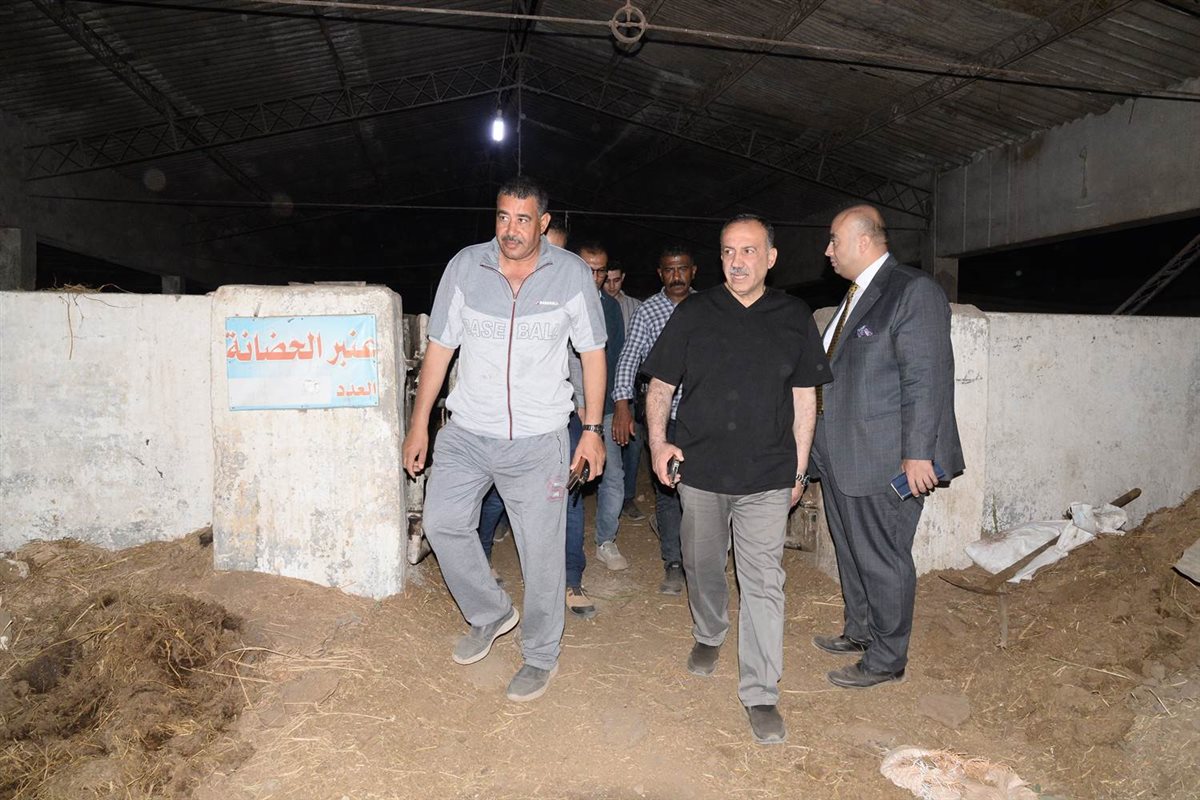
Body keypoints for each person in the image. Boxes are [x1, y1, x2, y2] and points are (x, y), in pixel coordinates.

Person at [401, 176, 608, 703]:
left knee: (541, 553)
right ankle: (490, 612)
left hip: (538, 440)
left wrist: (591, 431)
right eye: (502, 217)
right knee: (443, 523)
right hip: (468, 431)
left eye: (522, 220)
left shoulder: (572, 274)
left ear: (543, 223)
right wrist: (419, 424)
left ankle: (540, 654)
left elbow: (592, 354)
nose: (510, 230)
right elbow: (440, 349)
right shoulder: (465, 267)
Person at [641, 215, 830, 745]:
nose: (737, 261)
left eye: (749, 251)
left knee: (764, 581)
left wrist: (799, 467)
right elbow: (660, 385)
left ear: (771, 257)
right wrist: (658, 444)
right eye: (728, 251)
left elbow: (805, 397)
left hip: (768, 473)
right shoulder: (694, 312)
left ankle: (761, 691)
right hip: (700, 470)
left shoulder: (793, 316)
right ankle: (709, 631)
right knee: (702, 564)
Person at [809, 204, 964, 689]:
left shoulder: (912, 291)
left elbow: (926, 378)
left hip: (885, 458)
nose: (827, 251)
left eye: (834, 241)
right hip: (842, 454)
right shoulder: (856, 296)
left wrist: (918, 453)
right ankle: (860, 631)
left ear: (862, 241)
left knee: (883, 556)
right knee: (852, 549)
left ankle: (886, 658)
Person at [611, 246, 696, 595]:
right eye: (669, 270)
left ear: (693, 271)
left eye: (682, 269)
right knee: (668, 488)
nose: (676, 276)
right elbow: (629, 358)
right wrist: (622, 404)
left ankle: (701, 559)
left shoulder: (708, 306)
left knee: (704, 490)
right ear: (660, 274)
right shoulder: (647, 311)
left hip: (703, 417)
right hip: (665, 417)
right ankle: (673, 562)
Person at [574, 241, 628, 572]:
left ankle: (605, 540)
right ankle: (562, 544)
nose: (595, 277)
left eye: (600, 271)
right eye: (588, 269)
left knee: (613, 474)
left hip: (605, 407)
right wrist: (577, 403)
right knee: (565, 475)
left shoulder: (611, 308)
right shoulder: (560, 299)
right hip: (564, 407)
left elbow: (619, 358)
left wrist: (622, 405)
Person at [603, 262, 646, 522]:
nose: (610, 285)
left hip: (629, 389)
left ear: (623, 278)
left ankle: (627, 496)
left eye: (616, 280)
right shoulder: (594, 303)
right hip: (601, 385)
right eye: (606, 279)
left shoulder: (637, 308)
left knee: (633, 442)